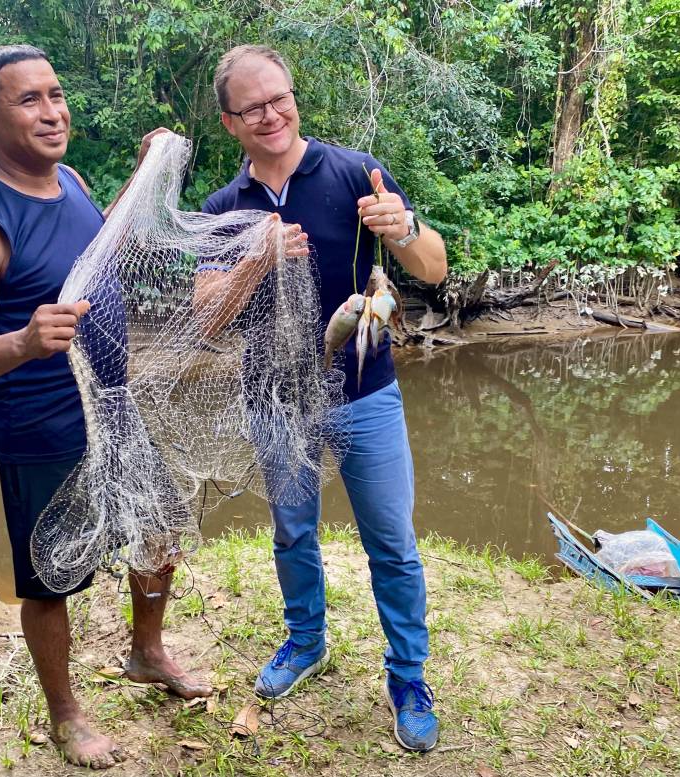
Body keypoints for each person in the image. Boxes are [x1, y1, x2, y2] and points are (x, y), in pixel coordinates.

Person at [0, 44, 210, 770]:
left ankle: (146, 652)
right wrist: (23, 341)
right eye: (29, 100)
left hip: (113, 408)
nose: (52, 112)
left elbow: (98, 248)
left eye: (55, 95)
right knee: (49, 579)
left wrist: (143, 178)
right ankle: (66, 715)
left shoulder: (72, 182)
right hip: (41, 425)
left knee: (158, 531)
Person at [195, 44, 448, 752]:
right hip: (275, 402)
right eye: (251, 107)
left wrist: (405, 229)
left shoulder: (354, 172)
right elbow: (208, 318)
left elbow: (433, 267)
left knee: (392, 543)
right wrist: (257, 258)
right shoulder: (223, 208)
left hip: (366, 394)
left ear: (293, 97)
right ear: (230, 122)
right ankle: (306, 640)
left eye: (279, 98)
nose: (270, 114)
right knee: (293, 532)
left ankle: (408, 677)